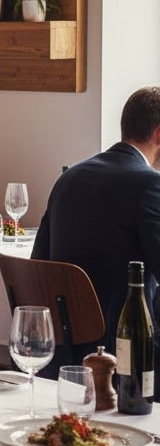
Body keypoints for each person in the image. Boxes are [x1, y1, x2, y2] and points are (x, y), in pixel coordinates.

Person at [32, 86, 160, 359]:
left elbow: (38, 263)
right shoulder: (150, 185)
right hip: (123, 347)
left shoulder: (69, 178)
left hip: (62, 343)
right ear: (158, 133)